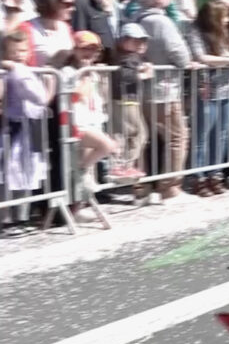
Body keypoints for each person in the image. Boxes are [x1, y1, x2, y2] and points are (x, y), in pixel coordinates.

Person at [135, 0, 193, 201]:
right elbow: (180, 54)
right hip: (164, 89)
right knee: (177, 138)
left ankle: (142, 188)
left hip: (143, 89)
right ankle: (170, 188)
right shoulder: (161, 22)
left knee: (145, 139)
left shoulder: (135, 19)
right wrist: (186, 61)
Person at [186, 0, 229, 197]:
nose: (227, 20)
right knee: (202, 136)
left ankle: (215, 174)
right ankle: (198, 177)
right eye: (224, 16)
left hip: (227, 89)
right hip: (207, 88)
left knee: (221, 134)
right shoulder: (196, 31)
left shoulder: (224, 32)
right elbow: (201, 57)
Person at [1, 31, 56, 234]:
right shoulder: (17, 72)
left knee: (27, 171)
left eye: (22, 50)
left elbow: (39, 102)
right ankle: (6, 218)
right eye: (13, 51)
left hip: (29, 127)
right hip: (13, 128)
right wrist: (50, 85)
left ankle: (21, 216)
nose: (18, 55)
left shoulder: (25, 70)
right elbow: (38, 97)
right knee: (10, 172)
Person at [63, 31, 119, 193]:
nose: (88, 53)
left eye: (93, 49)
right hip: (77, 123)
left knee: (89, 168)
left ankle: (81, 202)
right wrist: (85, 75)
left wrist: (102, 77)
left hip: (93, 120)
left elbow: (103, 97)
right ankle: (79, 171)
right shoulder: (68, 71)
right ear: (75, 50)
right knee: (107, 146)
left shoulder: (93, 72)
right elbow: (77, 95)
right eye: (84, 48)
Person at [108, 23, 153, 181]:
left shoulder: (131, 57)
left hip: (128, 100)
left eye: (143, 40)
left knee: (137, 134)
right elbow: (124, 75)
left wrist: (142, 67)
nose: (141, 44)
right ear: (123, 41)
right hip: (124, 100)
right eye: (136, 40)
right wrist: (142, 75)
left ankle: (124, 166)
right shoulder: (127, 57)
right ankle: (122, 166)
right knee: (135, 133)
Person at [18, 0, 75, 68]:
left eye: (73, 4)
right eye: (67, 5)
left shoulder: (66, 27)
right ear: (52, 3)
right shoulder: (26, 27)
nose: (73, 9)